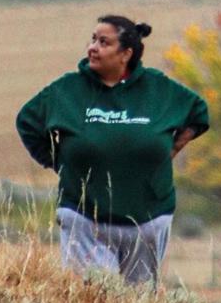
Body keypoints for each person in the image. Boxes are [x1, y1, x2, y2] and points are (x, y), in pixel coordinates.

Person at [16, 15, 209, 286]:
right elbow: (27, 121)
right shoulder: (68, 90)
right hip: (85, 218)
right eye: (93, 40)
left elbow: (198, 114)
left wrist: (173, 148)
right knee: (95, 300)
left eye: (104, 42)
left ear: (126, 54)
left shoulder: (158, 89)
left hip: (149, 218)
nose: (93, 47)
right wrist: (60, 161)